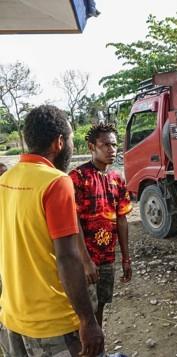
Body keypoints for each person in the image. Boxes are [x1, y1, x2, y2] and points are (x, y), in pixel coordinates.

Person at [0, 105, 104, 356]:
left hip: (13, 318)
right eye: (69, 137)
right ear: (59, 142)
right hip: (53, 324)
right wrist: (89, 321)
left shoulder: (7, 179)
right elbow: (68, 257)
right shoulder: (56, 182)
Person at [69, 123, 132, 327]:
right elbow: (73, 221)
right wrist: (86, 262)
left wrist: (126, 258)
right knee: (85, 310)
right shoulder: (77, 177)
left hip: (107, 257)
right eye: (105, 145)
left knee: (101, 305)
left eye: (114, 145)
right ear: (91, 147)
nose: (111, 150)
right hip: (85, 259)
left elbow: (121, 218)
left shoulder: (117, 178)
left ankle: (98, 349)